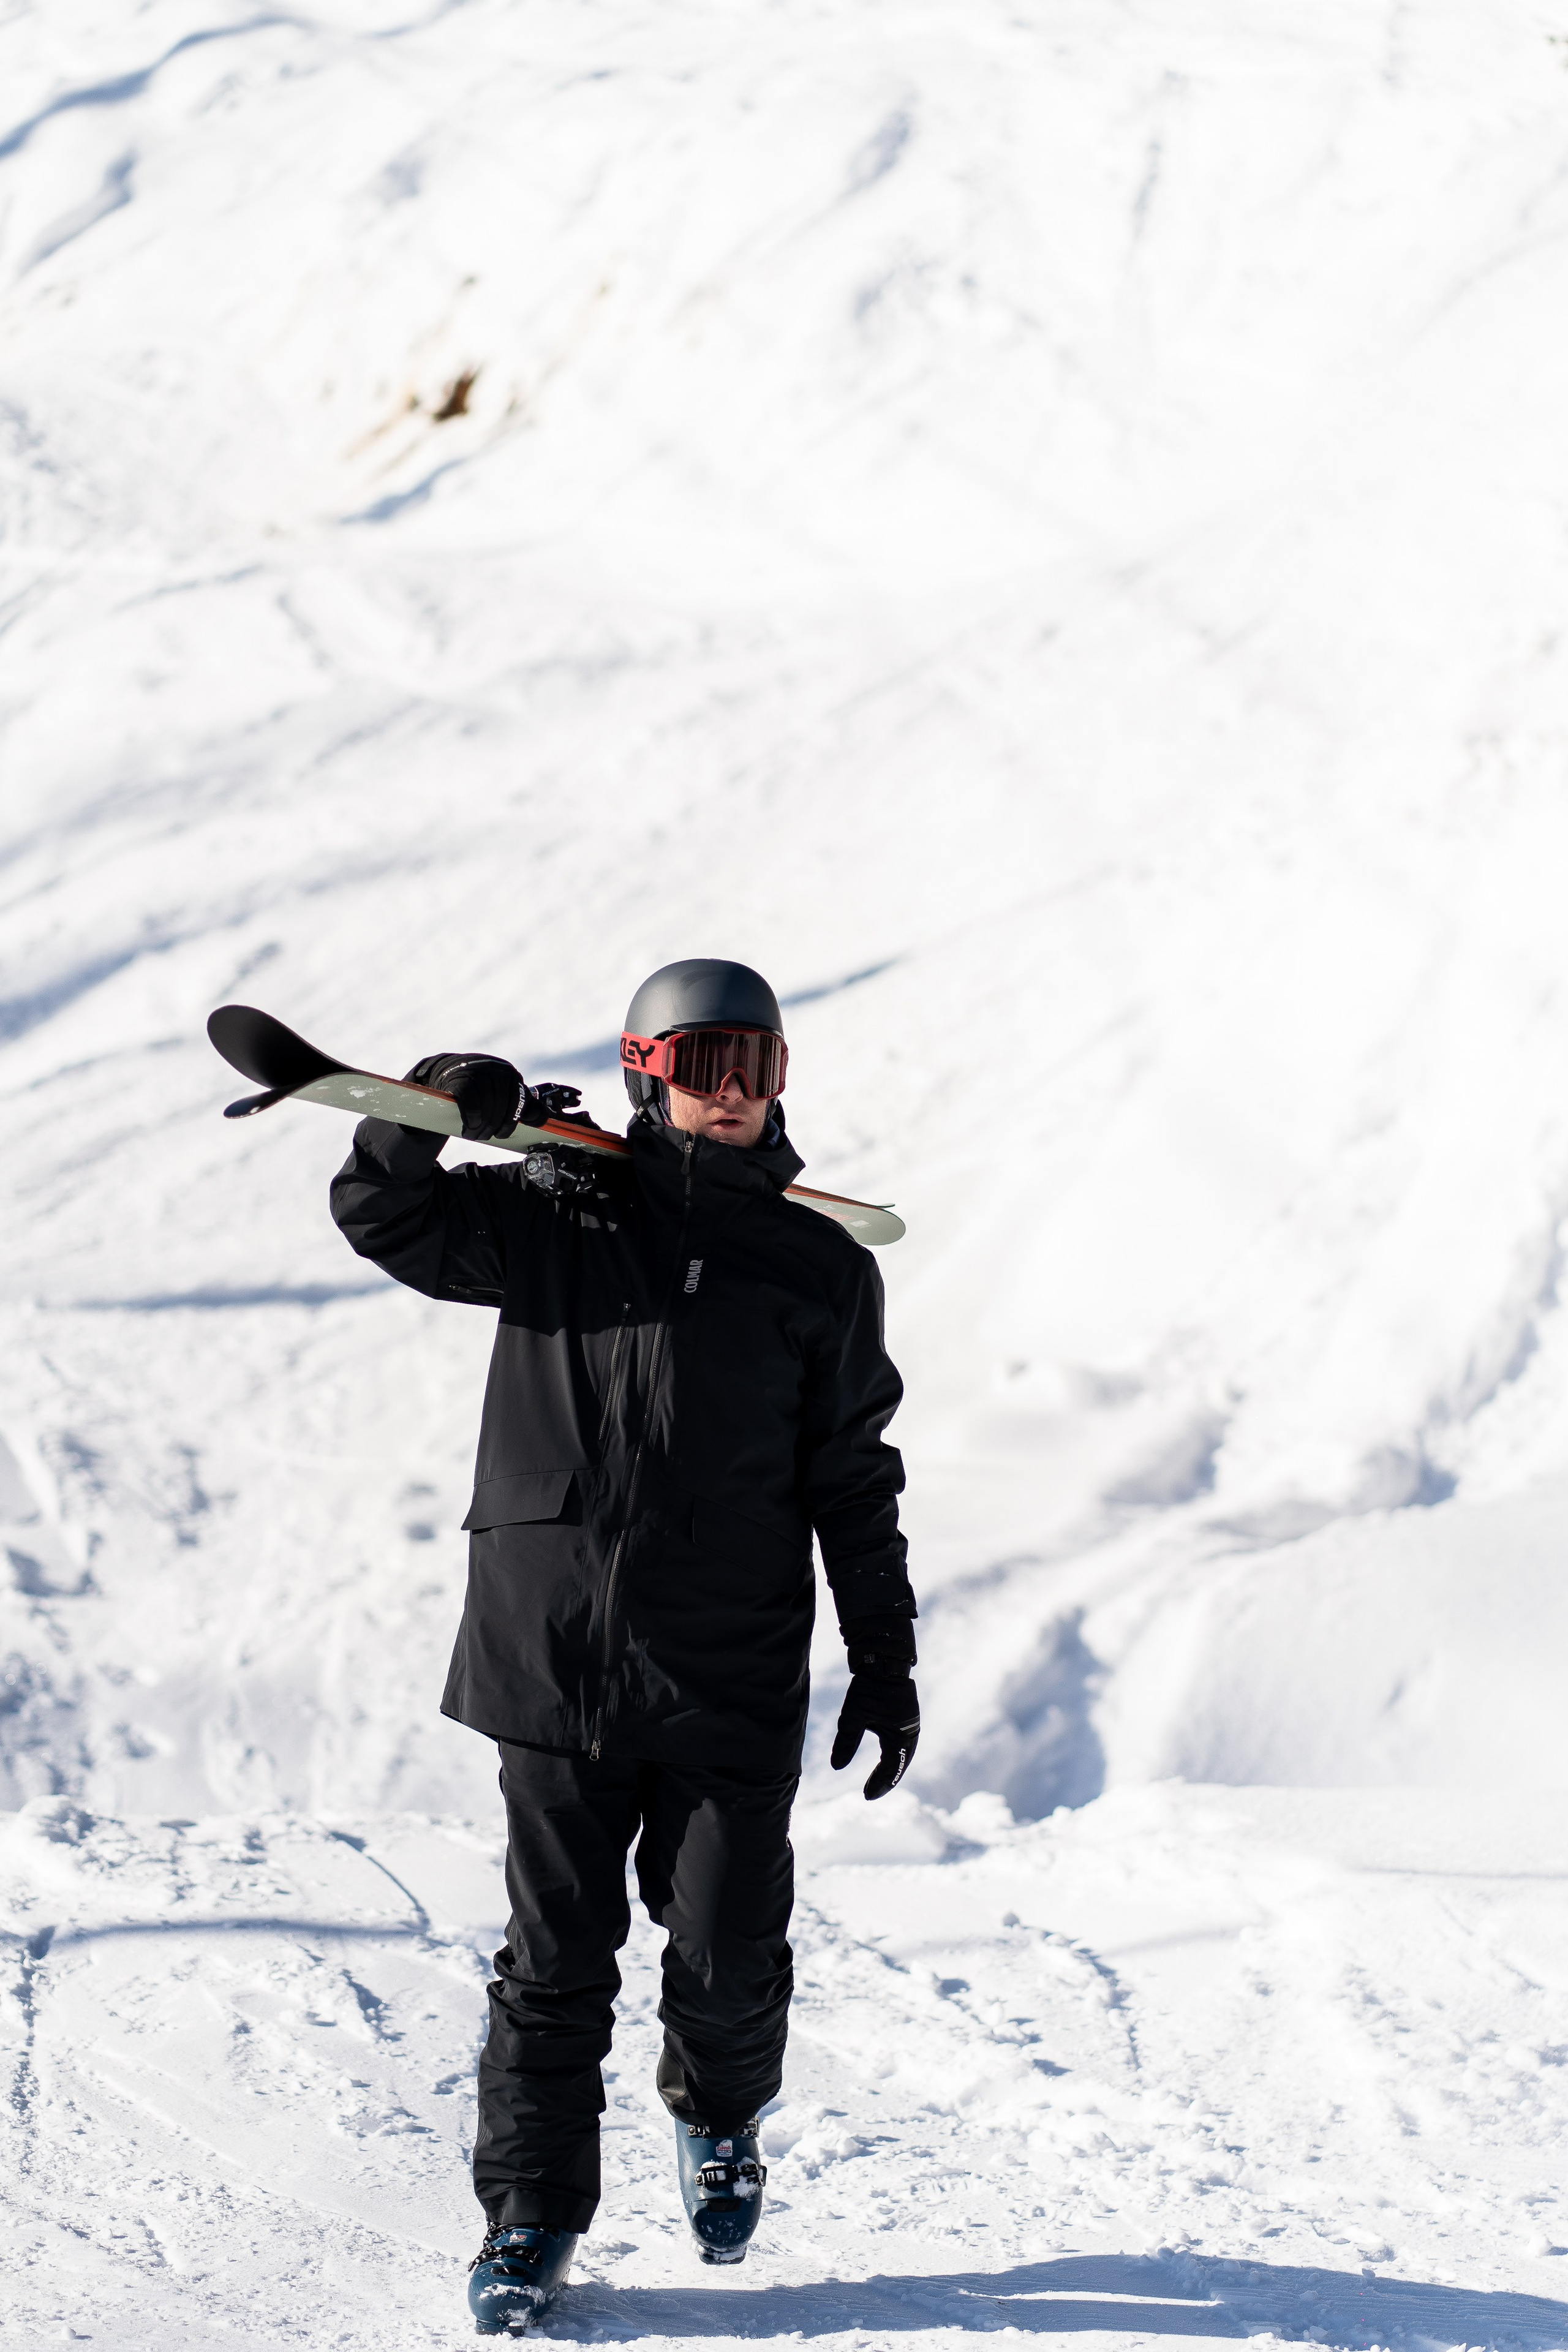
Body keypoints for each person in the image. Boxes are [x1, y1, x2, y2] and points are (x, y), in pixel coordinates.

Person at [329, 958, 918, 2337]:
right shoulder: (551, 1215)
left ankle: (717, 2114)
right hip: (554, 1655)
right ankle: (529, 2221)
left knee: (723, 1944)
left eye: (758, 1068)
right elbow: (384, 1217)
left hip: (731, 1662)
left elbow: (851, 1474)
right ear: (643, 1067)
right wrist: (427, 1107)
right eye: (705, 1063)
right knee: (556, 1960)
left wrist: (882, 1651)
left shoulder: (817, 1266)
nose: (733, 1094)